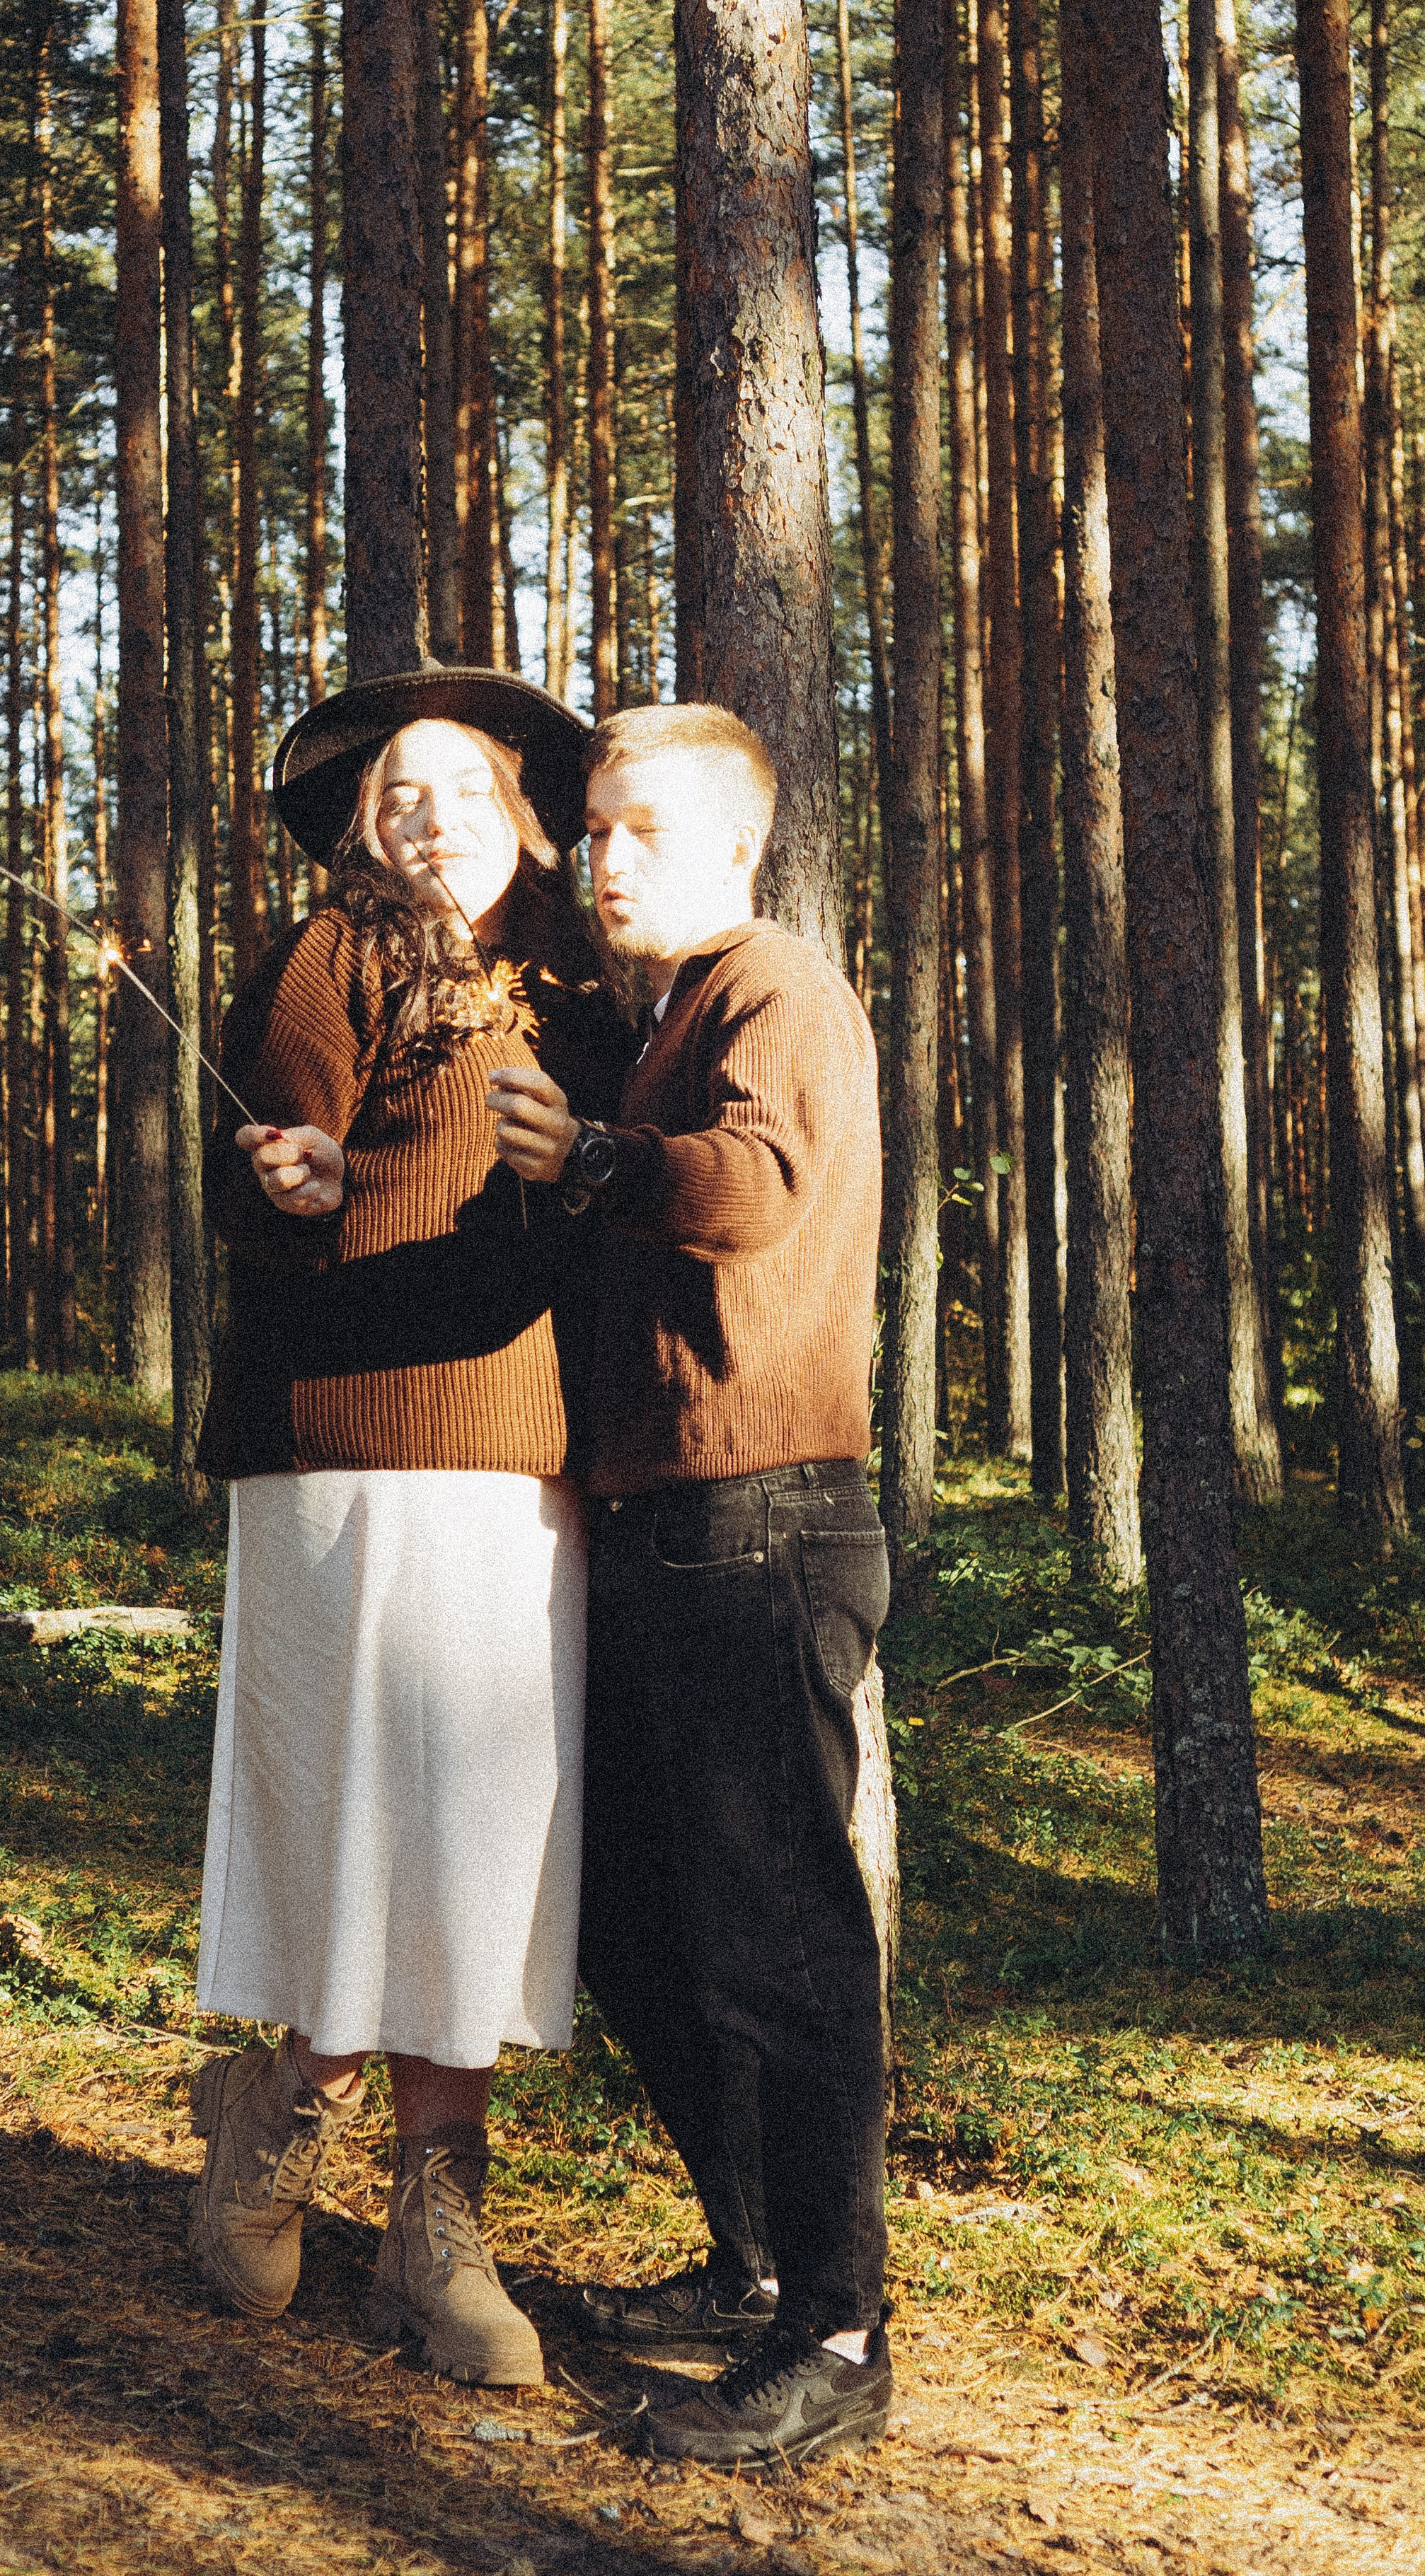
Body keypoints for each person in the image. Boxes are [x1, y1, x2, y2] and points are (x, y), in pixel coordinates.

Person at [188, 666, 631, 2389]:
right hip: (336, 1449)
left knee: (478, 1828)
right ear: (362, 829)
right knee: (342, 1799)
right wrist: (284, 1180)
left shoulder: (590, 989)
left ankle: (437, 2220)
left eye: (459, 782)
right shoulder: (334, 956)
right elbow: (260, 1155)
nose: (424, 807)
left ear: (523, 813)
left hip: (522, 1455)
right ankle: (283, 2103)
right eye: (394, 790)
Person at [486, 700, 893, 2464]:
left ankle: (839, 2331)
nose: (607, 858)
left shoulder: (771, 987)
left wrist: (596, 1160)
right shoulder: (646, 1022)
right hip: (654, 1523)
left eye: (646, 829)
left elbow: (751, 1185)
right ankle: (745, 2269)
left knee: (781, 1944)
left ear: (737, 847)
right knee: (643, 1929)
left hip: (762, 1521)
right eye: (592, 830)